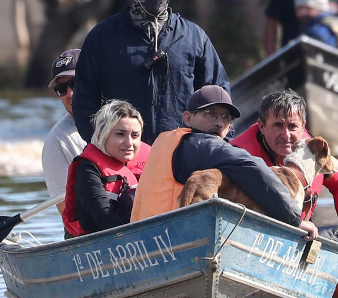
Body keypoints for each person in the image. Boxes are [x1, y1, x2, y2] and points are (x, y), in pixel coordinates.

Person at [73, 0, 230, 145]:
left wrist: (212, 148)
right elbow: (84, 101)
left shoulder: (194, 36)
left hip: (182, 155)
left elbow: (218, 97)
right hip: (123, 157)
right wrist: (103, 146)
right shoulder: (102, 37)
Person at [130, 85, 319, 239]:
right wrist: (294, 219)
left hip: (140, 243)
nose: (219, 123)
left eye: (226, 117)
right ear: (188, 117)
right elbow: (252, 168)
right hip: (171, 243)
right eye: (210, 113)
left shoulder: (163, 141)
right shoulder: (201, 143)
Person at [231, 89, 338, 262]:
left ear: (303, 126)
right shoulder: (239, 154)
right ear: (262, 126)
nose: (286, 135)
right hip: (251, 238)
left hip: (302, 234)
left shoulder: (315, 150)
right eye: (277, 125)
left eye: (292, 126)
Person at [62, 99, 148, 237]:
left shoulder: (146, 163)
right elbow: (103, 215)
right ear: (102, 135)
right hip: (93, 243)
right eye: (120, 134)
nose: (129, 143)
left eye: (135, 135)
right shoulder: (87, 169)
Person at [41, 49, 87, 216]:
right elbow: (69, 214)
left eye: (76, 83)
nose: (70, 94)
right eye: (62, 88)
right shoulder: (57, 142)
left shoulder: (127, 121)